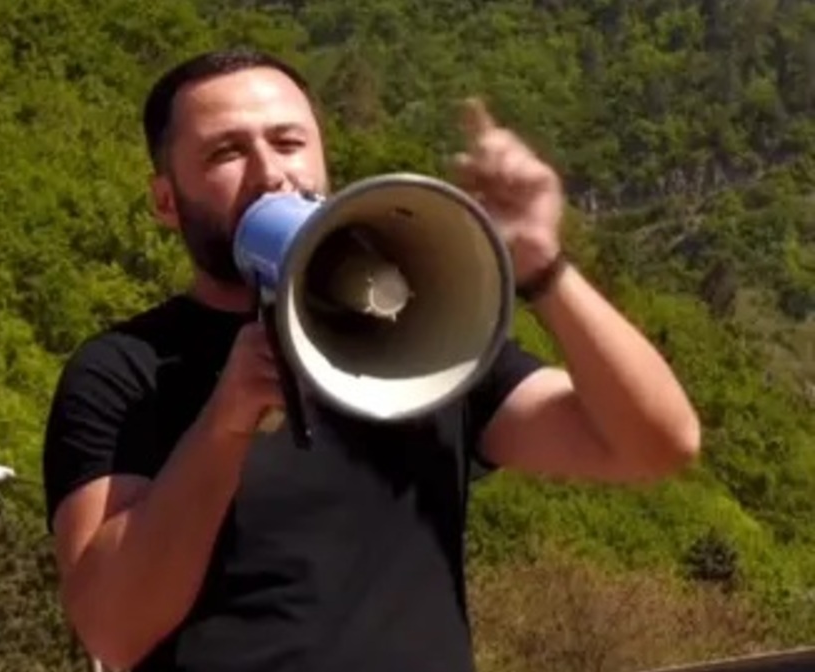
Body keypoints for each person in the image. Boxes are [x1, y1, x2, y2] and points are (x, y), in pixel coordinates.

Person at [40, 47, 701, 672]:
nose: (272, 173)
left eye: (289, 141)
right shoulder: (125, 372)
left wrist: (542, 266)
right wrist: (224, 423)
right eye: (226, 152)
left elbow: (654, 444)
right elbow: (113, 630)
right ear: (166, 200)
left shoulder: (428, 338)